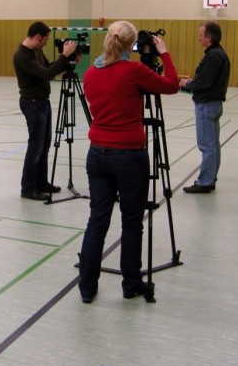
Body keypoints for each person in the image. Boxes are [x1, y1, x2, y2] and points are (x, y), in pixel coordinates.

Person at [78, 20, 180, 303]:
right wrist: (164, 54)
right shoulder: (134, 70)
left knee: (97, 221)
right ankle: (131, 284)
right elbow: (171, 85)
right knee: (132, 222)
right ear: (130, 45)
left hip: (97, 152)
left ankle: (87, 286)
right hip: (129, 154)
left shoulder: (90, 73)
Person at [13, 21, 79, 201]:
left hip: (42, 102)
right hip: (32, 103)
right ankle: (28, 188)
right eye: (45, 40)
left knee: (44, 145)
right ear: (37, 37)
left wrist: (67, 62)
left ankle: (41, 182)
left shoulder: (36, 51)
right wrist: (64, 57)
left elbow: (50, 67)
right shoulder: (22, 55)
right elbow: (46, 74)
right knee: (36, 147)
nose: (45, 43)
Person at [179, 21, 230, 194]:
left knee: (207, 146)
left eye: (201, 35)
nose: (198, 38)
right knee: (213, 145)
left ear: (208, 38)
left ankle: (205, 181)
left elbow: (204, 83)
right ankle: (210, 178)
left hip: (207, 105)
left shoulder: (213, 56)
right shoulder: (218, 54)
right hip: (213, 104)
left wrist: (187, 84)